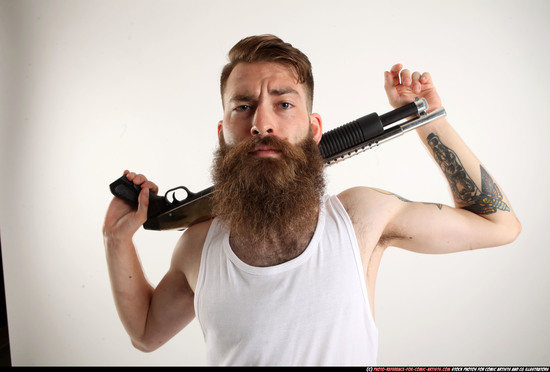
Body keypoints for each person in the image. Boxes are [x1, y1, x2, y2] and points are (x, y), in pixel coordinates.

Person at [102, 35, 521, 366]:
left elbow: (499, 225)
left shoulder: (362, 218)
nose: (261, 123)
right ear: (222, 132)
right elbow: (144, 334)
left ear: (315, 128)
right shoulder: (198, 246)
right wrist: (116, 240)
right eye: (243, 106)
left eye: (283, 104)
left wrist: (429, 117)